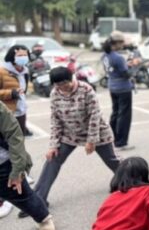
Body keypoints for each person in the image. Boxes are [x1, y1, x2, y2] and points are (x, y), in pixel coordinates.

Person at [18, 67, 120, 219]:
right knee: (52, 160)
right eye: (58, 85)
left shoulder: (86, 89)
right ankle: (37, 201)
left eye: (65, 83)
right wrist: (53, 145)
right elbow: (55, 120)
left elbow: (95, 116)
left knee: (113, 160)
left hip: (97, 133)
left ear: (72, 77)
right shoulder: (55, 93)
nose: (63, 87)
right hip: (69, 135)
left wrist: (91, 141)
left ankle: (137, 182)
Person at [0, 101, 55, 230]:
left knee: (20, 193)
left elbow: (14, 135)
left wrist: (17, 169)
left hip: (3, 162)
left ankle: (43, 219)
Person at [102, 31, 140, 151]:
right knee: (124, 115)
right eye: (122, 42)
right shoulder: (118, 57)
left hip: (112, 86)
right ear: (116, 43)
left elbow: (114, 69)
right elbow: (126, 74)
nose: (123, 44)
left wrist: (126, 64)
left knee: (115, 113)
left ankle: (112, 139)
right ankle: (121, 142)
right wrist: (134, 66)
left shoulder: (105, 55)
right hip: (123, 88)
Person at [1, 44, 32, 136]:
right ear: (12, 56)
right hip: (6, 113)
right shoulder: (2, 72)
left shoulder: (25, 71)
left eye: (25, 55)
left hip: (21, 112)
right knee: (7, 143)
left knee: (19, 142)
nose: (23, 58)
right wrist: (11, 93)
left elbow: (24, 90)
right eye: (19, 55)